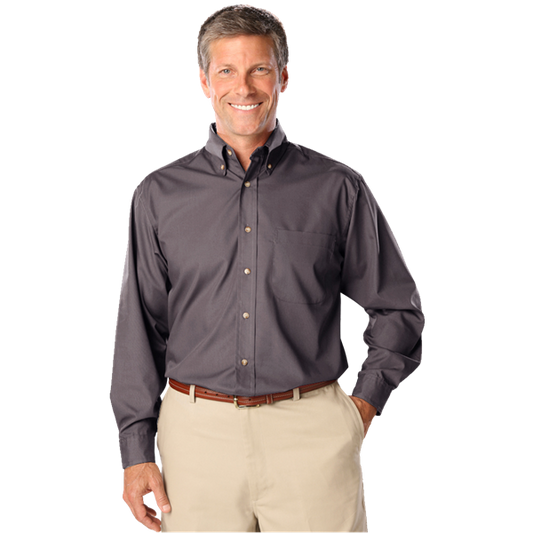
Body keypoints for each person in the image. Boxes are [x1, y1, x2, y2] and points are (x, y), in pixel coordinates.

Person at [108, 3, 427, 532]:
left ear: (284, 78)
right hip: (196, 438)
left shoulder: (337, 187)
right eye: (227, 70)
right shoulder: (158, 195)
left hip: (312, 432)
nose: (244, 87)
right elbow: (139, 327)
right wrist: (135, 449)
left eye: (260, 69)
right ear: (203, 81)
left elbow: (398, 308)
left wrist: (359, 410)